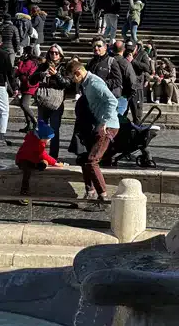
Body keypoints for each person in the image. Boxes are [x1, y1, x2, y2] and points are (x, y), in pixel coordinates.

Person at [66, 59, 119, 208]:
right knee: (86, 160)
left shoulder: (94, 83)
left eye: (72, 78)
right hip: (98, 125)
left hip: (108, 126)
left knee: (92, 160)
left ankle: (104, 197)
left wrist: (104, 123)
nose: (73, 81)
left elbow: (112, 101)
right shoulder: (86, 83)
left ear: (78, 73)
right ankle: (91, 192)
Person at [30, 44, 68, 160]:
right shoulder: (43, 66)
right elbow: (31, 80)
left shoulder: (64, 67)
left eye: (56, 53)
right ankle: (41, 154)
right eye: (51, 52)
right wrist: (40, 75)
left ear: (60, 55)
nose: (54, 55)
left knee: (54, 129)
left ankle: (53, 156)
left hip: (56, 102)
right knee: (42, 129)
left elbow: (67, 84)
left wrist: (56, 75)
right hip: (43, 101)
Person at [15, 120, 64, 197]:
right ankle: (24, 191)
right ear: (43, 137)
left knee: (42, 163)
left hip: (31, 159)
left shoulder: (36, 139)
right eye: (48, 139)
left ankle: (38, 166)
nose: (49, 141)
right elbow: (43, 155)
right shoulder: (38, 144)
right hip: (23, 160)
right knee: (27, 173)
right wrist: (55, 163)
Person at [15, 46, 40, 134]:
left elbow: (21, 70)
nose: (23, 54)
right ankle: (29, 125)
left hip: (29, 86)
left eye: (24, 52)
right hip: (27, 85)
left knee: (24, 104)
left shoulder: (29, 62)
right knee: (23, 104)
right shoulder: (33, 62)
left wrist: (20, 62)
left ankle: (35, 122)